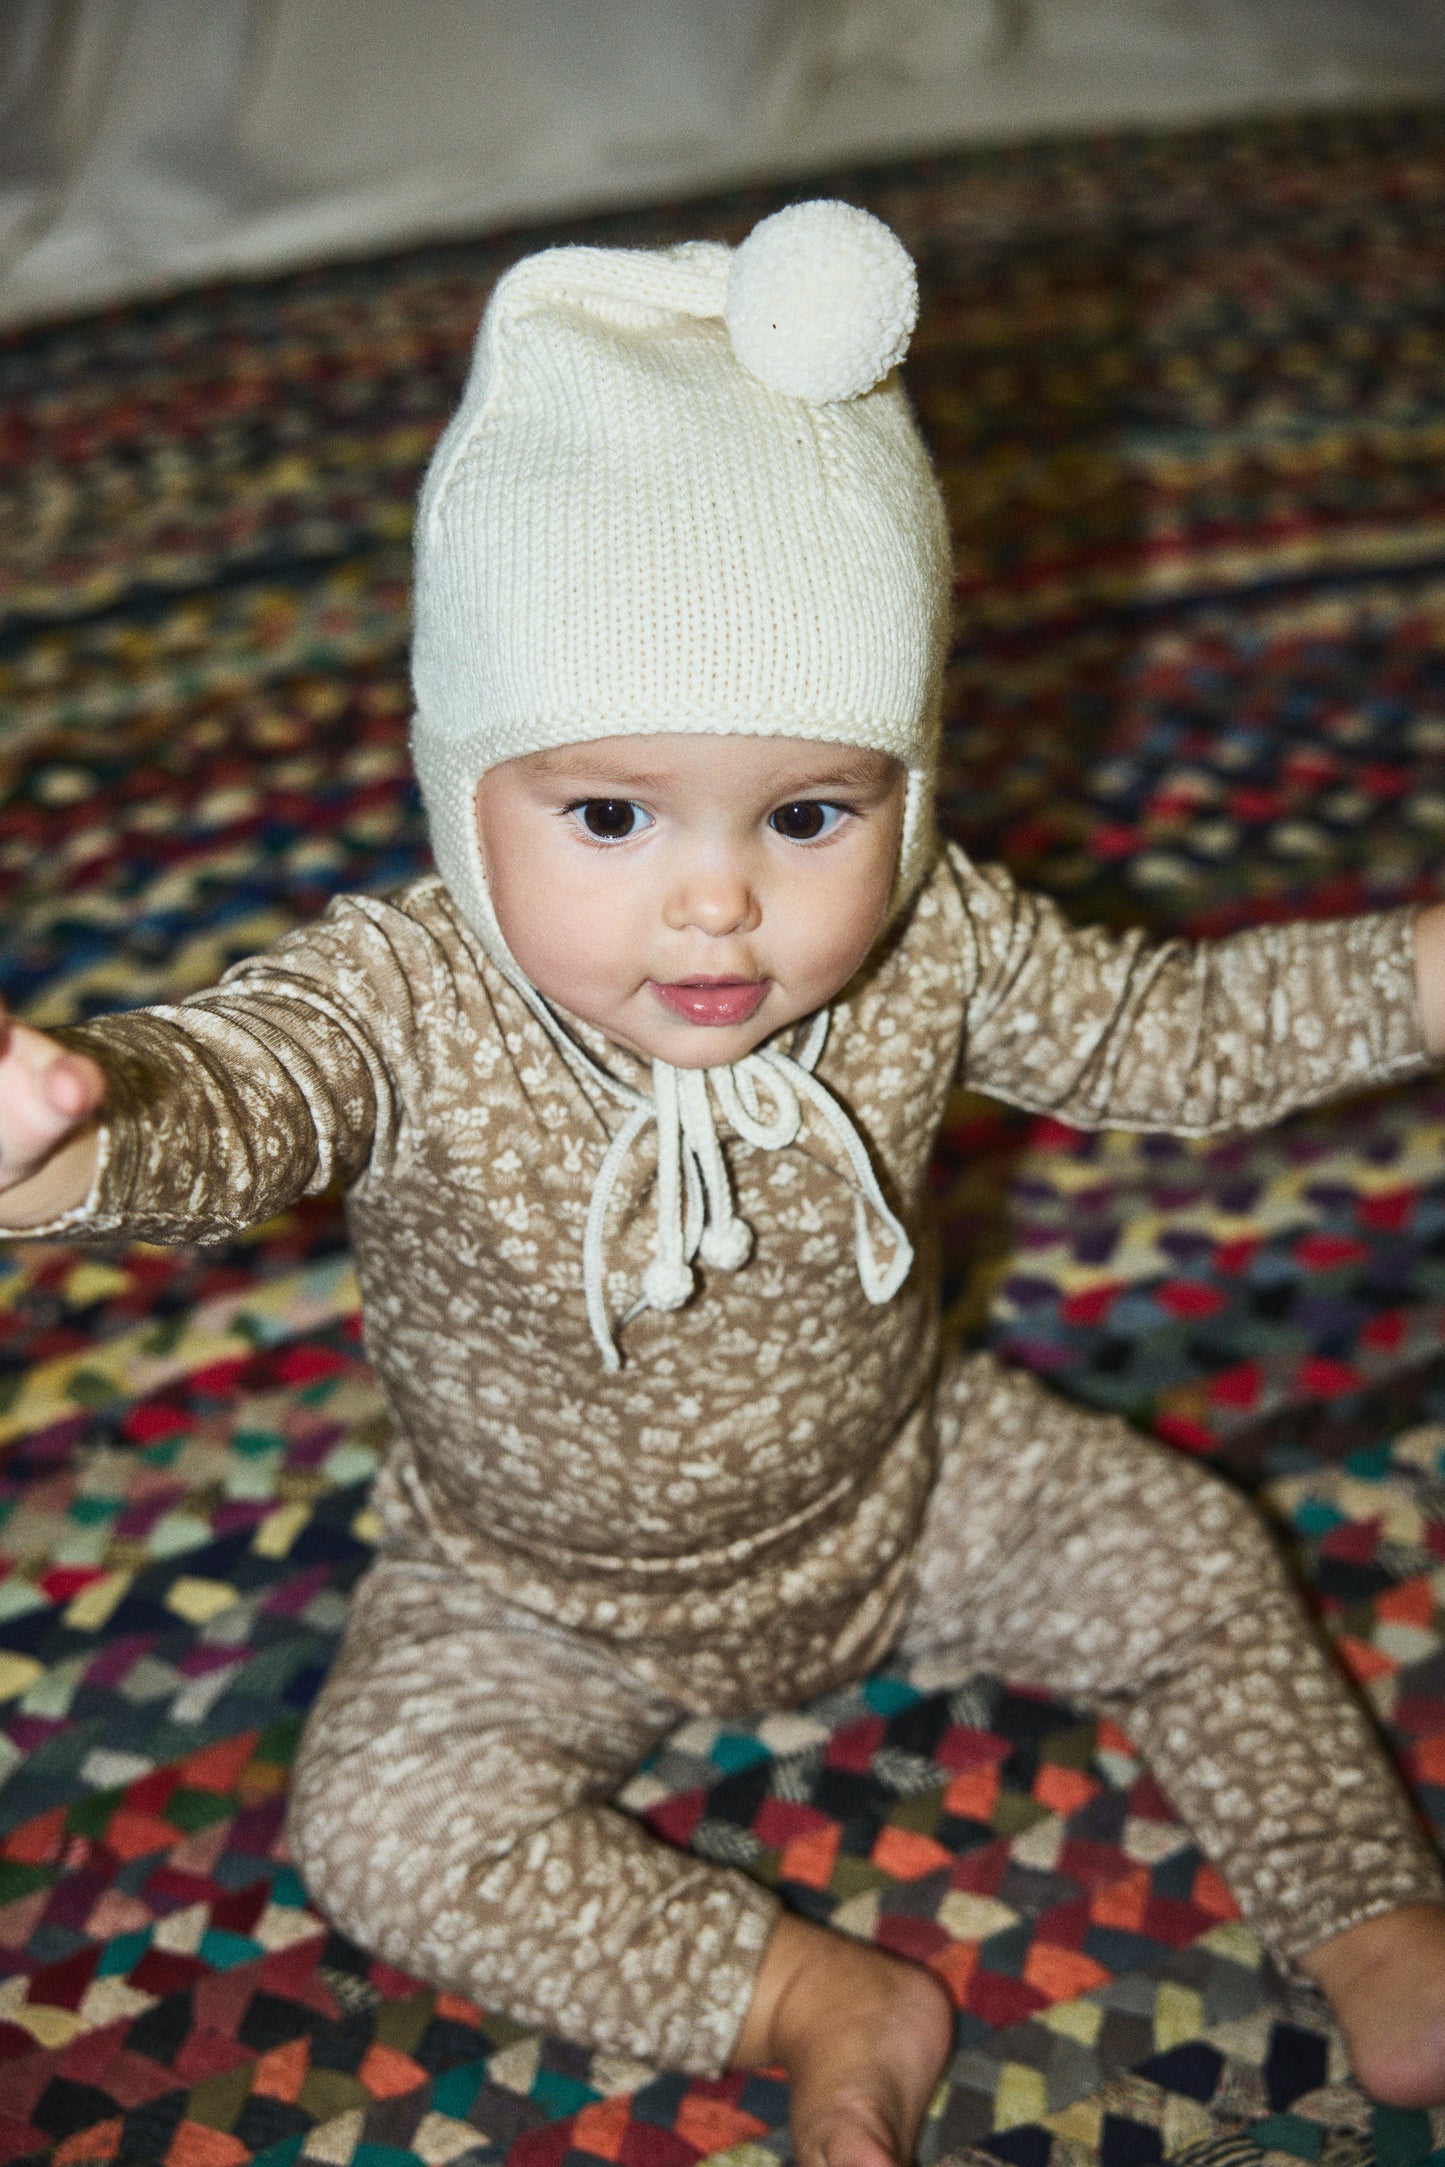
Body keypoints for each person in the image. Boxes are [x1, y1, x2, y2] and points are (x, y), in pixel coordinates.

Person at [3, 201, 1445, 2162]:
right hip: (534, 1595)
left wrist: (1419, 971)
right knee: (378, 1827)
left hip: (905, 1484)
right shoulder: (407, 995)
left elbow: (1173, 1029)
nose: (718, 897)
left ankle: (1367, 1908)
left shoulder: (934, 938)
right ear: (465, 788)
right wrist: (84, 1133)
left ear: (908, 792)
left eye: (809, 812)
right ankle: (814, 1996)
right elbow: (239, 1091)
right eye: (606, 813)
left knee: (1192, 1558)